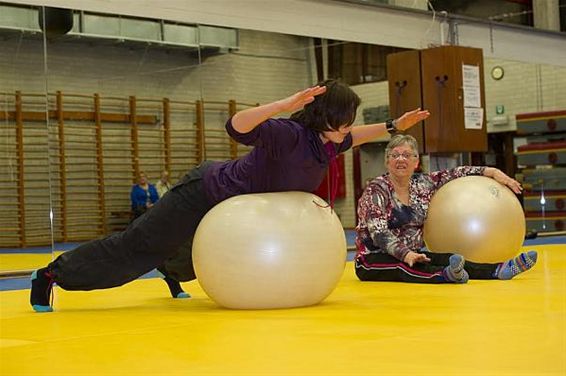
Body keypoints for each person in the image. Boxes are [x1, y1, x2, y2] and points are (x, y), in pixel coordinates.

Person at [30, 80, 430, 312]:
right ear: (326, 117)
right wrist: (286, 104)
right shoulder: (289, 134)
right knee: (139, 247)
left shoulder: (328, 142)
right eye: (346, 119)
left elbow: (354, 138)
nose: (350, 127)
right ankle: (51, 274)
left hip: (235, 215)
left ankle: (172, 272)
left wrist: (394, 125)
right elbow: (235, 126)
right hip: (204, 191)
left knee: (189, 257)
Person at [355, 134, 537, 284]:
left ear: (416, 162)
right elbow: (378, 233)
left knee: (447, 257)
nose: (401, 159)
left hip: (414, 254)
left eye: (407, 155)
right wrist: (406, 254)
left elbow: (456, 173)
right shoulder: (377, 189)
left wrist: (492, 172)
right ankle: (445, 275)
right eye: (395, 155)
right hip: (373, 259)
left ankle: (498, 270)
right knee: (404, 268)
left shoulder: (422, 184)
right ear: (387, 161)